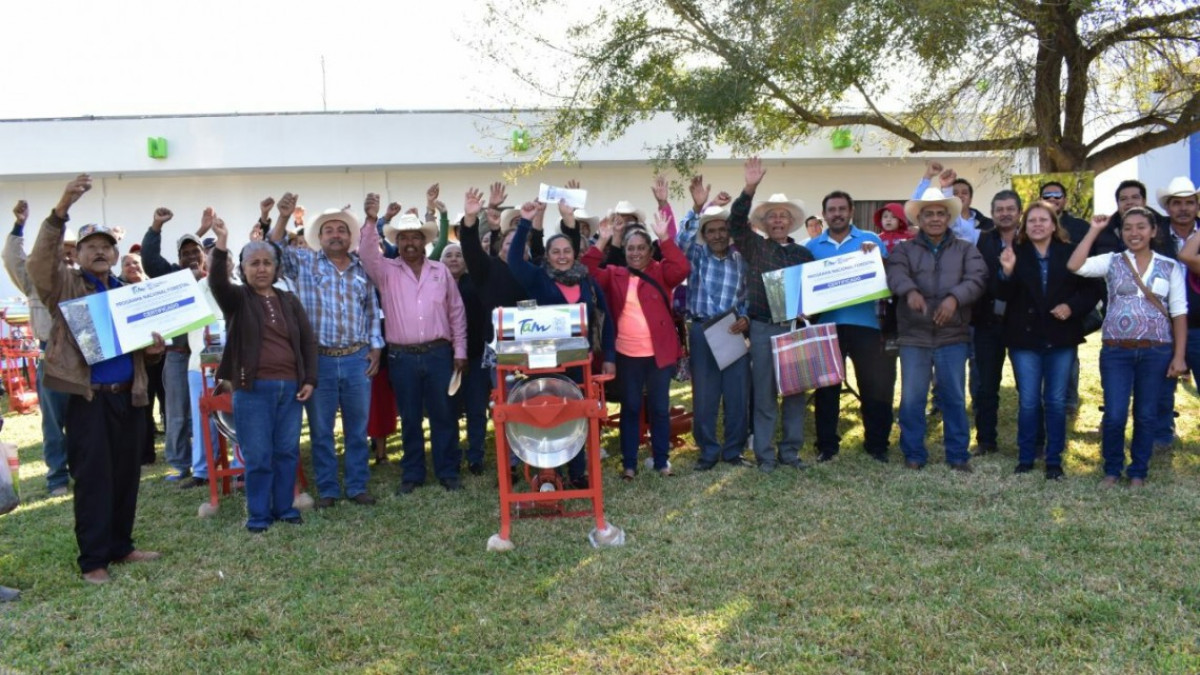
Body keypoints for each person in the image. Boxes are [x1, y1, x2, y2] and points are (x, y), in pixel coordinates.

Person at [28, 174, 165, 583]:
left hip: (129, 396)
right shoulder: (66, 285)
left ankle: (121, 546)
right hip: (89, 399)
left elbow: (139, 347)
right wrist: (60, 210)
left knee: (126, 473)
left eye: (107, 247)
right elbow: (38, 262)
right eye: (91, 246)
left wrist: (153, 351)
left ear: (115, 252)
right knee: (93, 478)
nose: (100, 252)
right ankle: (93, 561)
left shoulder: (127, 290)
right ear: (79, 252)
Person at [269, 194, 384, 508]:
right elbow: (273, 250)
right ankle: (329, 490)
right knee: (321, 432)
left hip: (357, 360)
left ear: (349, 237)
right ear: (319, 237)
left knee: (357, 431)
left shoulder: (362, 269)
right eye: (329, 230)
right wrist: (282, 217)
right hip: (318, 361)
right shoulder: (303, 262)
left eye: (341, 230)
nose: (336, 234)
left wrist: (375, 347)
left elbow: (372, 312)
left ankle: (358, 486)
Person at [208, 214, 316, 531]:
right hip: (252, 389)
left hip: (291, 388)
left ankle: (284, 507)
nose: (261, 268)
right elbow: (216, 282)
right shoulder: (238, 300)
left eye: (267, 262)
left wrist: (309, 379)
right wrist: (222, 242)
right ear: (242, 269)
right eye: (253, 263)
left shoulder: (290, 300)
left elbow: (307, 342)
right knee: (258, 456)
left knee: (285, 451)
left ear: (276, 267)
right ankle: (258, 514)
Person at [1068, 207, 1188, 486]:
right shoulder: (1112, 261)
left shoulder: (1169, 266)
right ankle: (1112, 469)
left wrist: (1179, 356)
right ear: (1121, 233)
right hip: (1116, 351)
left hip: (1156, 351)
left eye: (1141, 227)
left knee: (1146, 414)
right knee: (1115, 414)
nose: (1134, 233)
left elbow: (1179, 313)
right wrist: (1094, 230)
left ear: (1154, 231)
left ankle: (1138, 472)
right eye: (1128, 228)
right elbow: (1075, 265)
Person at [360, 196, 468, 494]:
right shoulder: (385, 270)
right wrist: (371, 221)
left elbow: (456, 312)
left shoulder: (440, 271)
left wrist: (459, 351)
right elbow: (367, 254)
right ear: (398, 241)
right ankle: (413, 474)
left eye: (415, 238)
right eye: (404, 238)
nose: (409, 243)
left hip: (438, 354)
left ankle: (447, 471)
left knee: (443, 414)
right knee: (409, 416)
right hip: (401, 357)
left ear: (424, 242)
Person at [506, 197, 616, 487]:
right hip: (545, 363)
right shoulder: (538, 278)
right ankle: (546, 470)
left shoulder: (586, 282)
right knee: (546, 413)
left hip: (581, 362)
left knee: (577, 415)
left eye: (567, 250)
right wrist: (526, 222)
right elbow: (514, 260)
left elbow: (606, 319)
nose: (563, 256)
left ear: (575, 254)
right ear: (549, 255)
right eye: (556, 252)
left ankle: (577, 473)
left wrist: (609, 356)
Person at [994, 202, 1102, 479]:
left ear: (1054, 225)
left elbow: (1092, 290)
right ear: (1024, 227)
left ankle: (1054, 460)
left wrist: (1071, 306)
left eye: (1043, 220)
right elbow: (1000, 296)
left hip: (1061, 337)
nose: (1038, 225)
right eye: (1032, 221)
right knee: (1029, 401)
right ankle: (1026, 456)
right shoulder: (1013, 254)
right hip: (1024, 339)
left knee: (1055, 401)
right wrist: (1006, 272)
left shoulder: (1069, 253)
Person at [886, 188, 987, 472]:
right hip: (914, 336)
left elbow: (978, 278)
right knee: (912, 398)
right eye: (928, 214)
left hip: (952, 335)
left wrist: (955, 298)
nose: (934, 218)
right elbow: (895, 273)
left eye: (940, 213)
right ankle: (914, 453)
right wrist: (909, 291)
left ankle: (957, 455)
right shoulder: (904, 249)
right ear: (919, 218)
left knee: (953, 397)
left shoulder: (967, 249)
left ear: (948, 217)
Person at [583, 209, 689, 480]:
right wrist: (604, 240)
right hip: (628, 354)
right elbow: (586, 271)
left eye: (642, 247)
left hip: (658, 354)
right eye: (631, 248)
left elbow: (683, 268)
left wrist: (665, 238)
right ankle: (629, 464)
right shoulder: (616, 274)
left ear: (650, 250)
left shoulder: (660, 271)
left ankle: (662, 460)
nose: (636, 253)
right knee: (630, 407)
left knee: (658, 408)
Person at [730, 157, 816, 472]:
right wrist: (750, 188)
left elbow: (818, 290)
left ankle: (790, 453)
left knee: (795, 392)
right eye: (772, 217)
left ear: (790, 222)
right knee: (765, 395)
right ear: (765, 223)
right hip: (763, 329)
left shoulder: (803, 254)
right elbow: (736, 223)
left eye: (783, 216)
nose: (778, 220)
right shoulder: (755, 247)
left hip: (794, 329)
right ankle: (765, 455)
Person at [806, 190, 894, 463]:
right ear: (824, 215)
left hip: (866, 325)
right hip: (826, 327)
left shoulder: (871, 240)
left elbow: (889, 277)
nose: (837, 214)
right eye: (831, 209)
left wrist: (876, 257)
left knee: (875, 387)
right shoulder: (811, 247)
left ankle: (877, 444)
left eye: (842, 208)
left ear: (851, 211)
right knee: (826, 390)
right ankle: (827, 446)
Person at [677, 175, 751, 470]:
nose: (718, 235)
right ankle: (708, 451)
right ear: (704, 234)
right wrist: (697, 208)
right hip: (702, 328)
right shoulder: (695, 255)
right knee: (705, 396)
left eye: (723, 230)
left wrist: (745, 315)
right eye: (712, 231)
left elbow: (747, 295)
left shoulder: (740, 260)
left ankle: (733, 451)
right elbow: (681, 239)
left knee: (737, 394)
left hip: (732, 328)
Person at [4, 200, 73, 496]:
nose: (66, 257)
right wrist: (19, 225)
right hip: (52, 356)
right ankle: (57, 477)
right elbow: (11, 258)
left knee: (85, 421)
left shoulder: (83, 282)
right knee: (54, 423)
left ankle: (85, 470)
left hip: (84, 358)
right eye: (60, 252)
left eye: (71, 253)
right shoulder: (34, 283)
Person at [140, 207, 209, 481]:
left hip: (209, 356)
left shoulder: (214, 279)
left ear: (204, 255)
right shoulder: (171, 277)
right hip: (179, 356)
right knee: (177, 413)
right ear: (179, 258)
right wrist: (156, 226)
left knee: (208, 412)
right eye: (185, 253)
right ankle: (181, 465)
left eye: (196, 252)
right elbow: (149, 260)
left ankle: (208, 462)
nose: (191, 257)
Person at [969, 190, 1023, 455]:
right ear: (992, 214)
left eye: (1010, 208)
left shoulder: (1032, 239)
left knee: (1029, 388)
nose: (1005, 213)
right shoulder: (982, 240)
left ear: (1019, 212)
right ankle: (986, 441)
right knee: (986, 386)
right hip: (987, 322)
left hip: (1023, 323)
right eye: (999, 209)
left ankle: (1033, 443)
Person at [1148, 176, 1200, 450]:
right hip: (1162, 323)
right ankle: (1162, 434)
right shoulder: (1155, 235)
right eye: (1177, 203)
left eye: (1189, 202)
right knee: (1161, 384)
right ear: (1168, 207)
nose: (1183, 208)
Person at [438, 242, 491, 476]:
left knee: (476, 409)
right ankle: (451, 456)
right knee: (447, 410)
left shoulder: (476, 283)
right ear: (440, 261)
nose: (453, 259)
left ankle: (475, 456)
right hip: (443, 358)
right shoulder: (435, 284)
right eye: (448, 255)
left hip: (476, 356)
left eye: (459, 255)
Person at [912, 162, 992, 245]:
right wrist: (928, 176)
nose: (960, 196)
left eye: (964, 193)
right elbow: (916, 205)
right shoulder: (942, 222)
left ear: (971, 199)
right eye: (955, 192)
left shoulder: (989, 224)